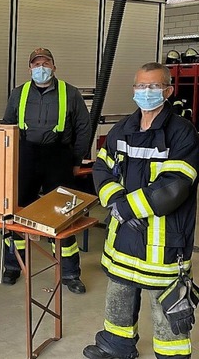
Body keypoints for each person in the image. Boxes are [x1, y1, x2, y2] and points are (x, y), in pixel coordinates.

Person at [83, 63, 199, 359]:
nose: (146, 92)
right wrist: (115, 200)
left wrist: (125, 207)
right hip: (123, 236)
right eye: (140, 86)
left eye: (153, 87)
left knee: (165, 306)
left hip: (163, 241)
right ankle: (115, 346)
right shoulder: (122, 129)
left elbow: (174, 186)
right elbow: (102, 168)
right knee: (119, 292)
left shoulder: (182, 133)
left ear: (168, 91)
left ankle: (171, 355)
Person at [1, 48, 91, 293]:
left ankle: (70, 273)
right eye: (36, 63)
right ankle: (13, 266)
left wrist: (76, 160)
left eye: (46, 62)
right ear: (30, 68)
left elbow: (84, 127)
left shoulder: (70, 93)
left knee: (63, 215)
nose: (41, 67)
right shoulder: (18, 94)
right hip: (25, 157)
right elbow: (7, 126)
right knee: (16, 214)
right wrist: (9, 160)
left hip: (58, 157)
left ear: (54, 66)